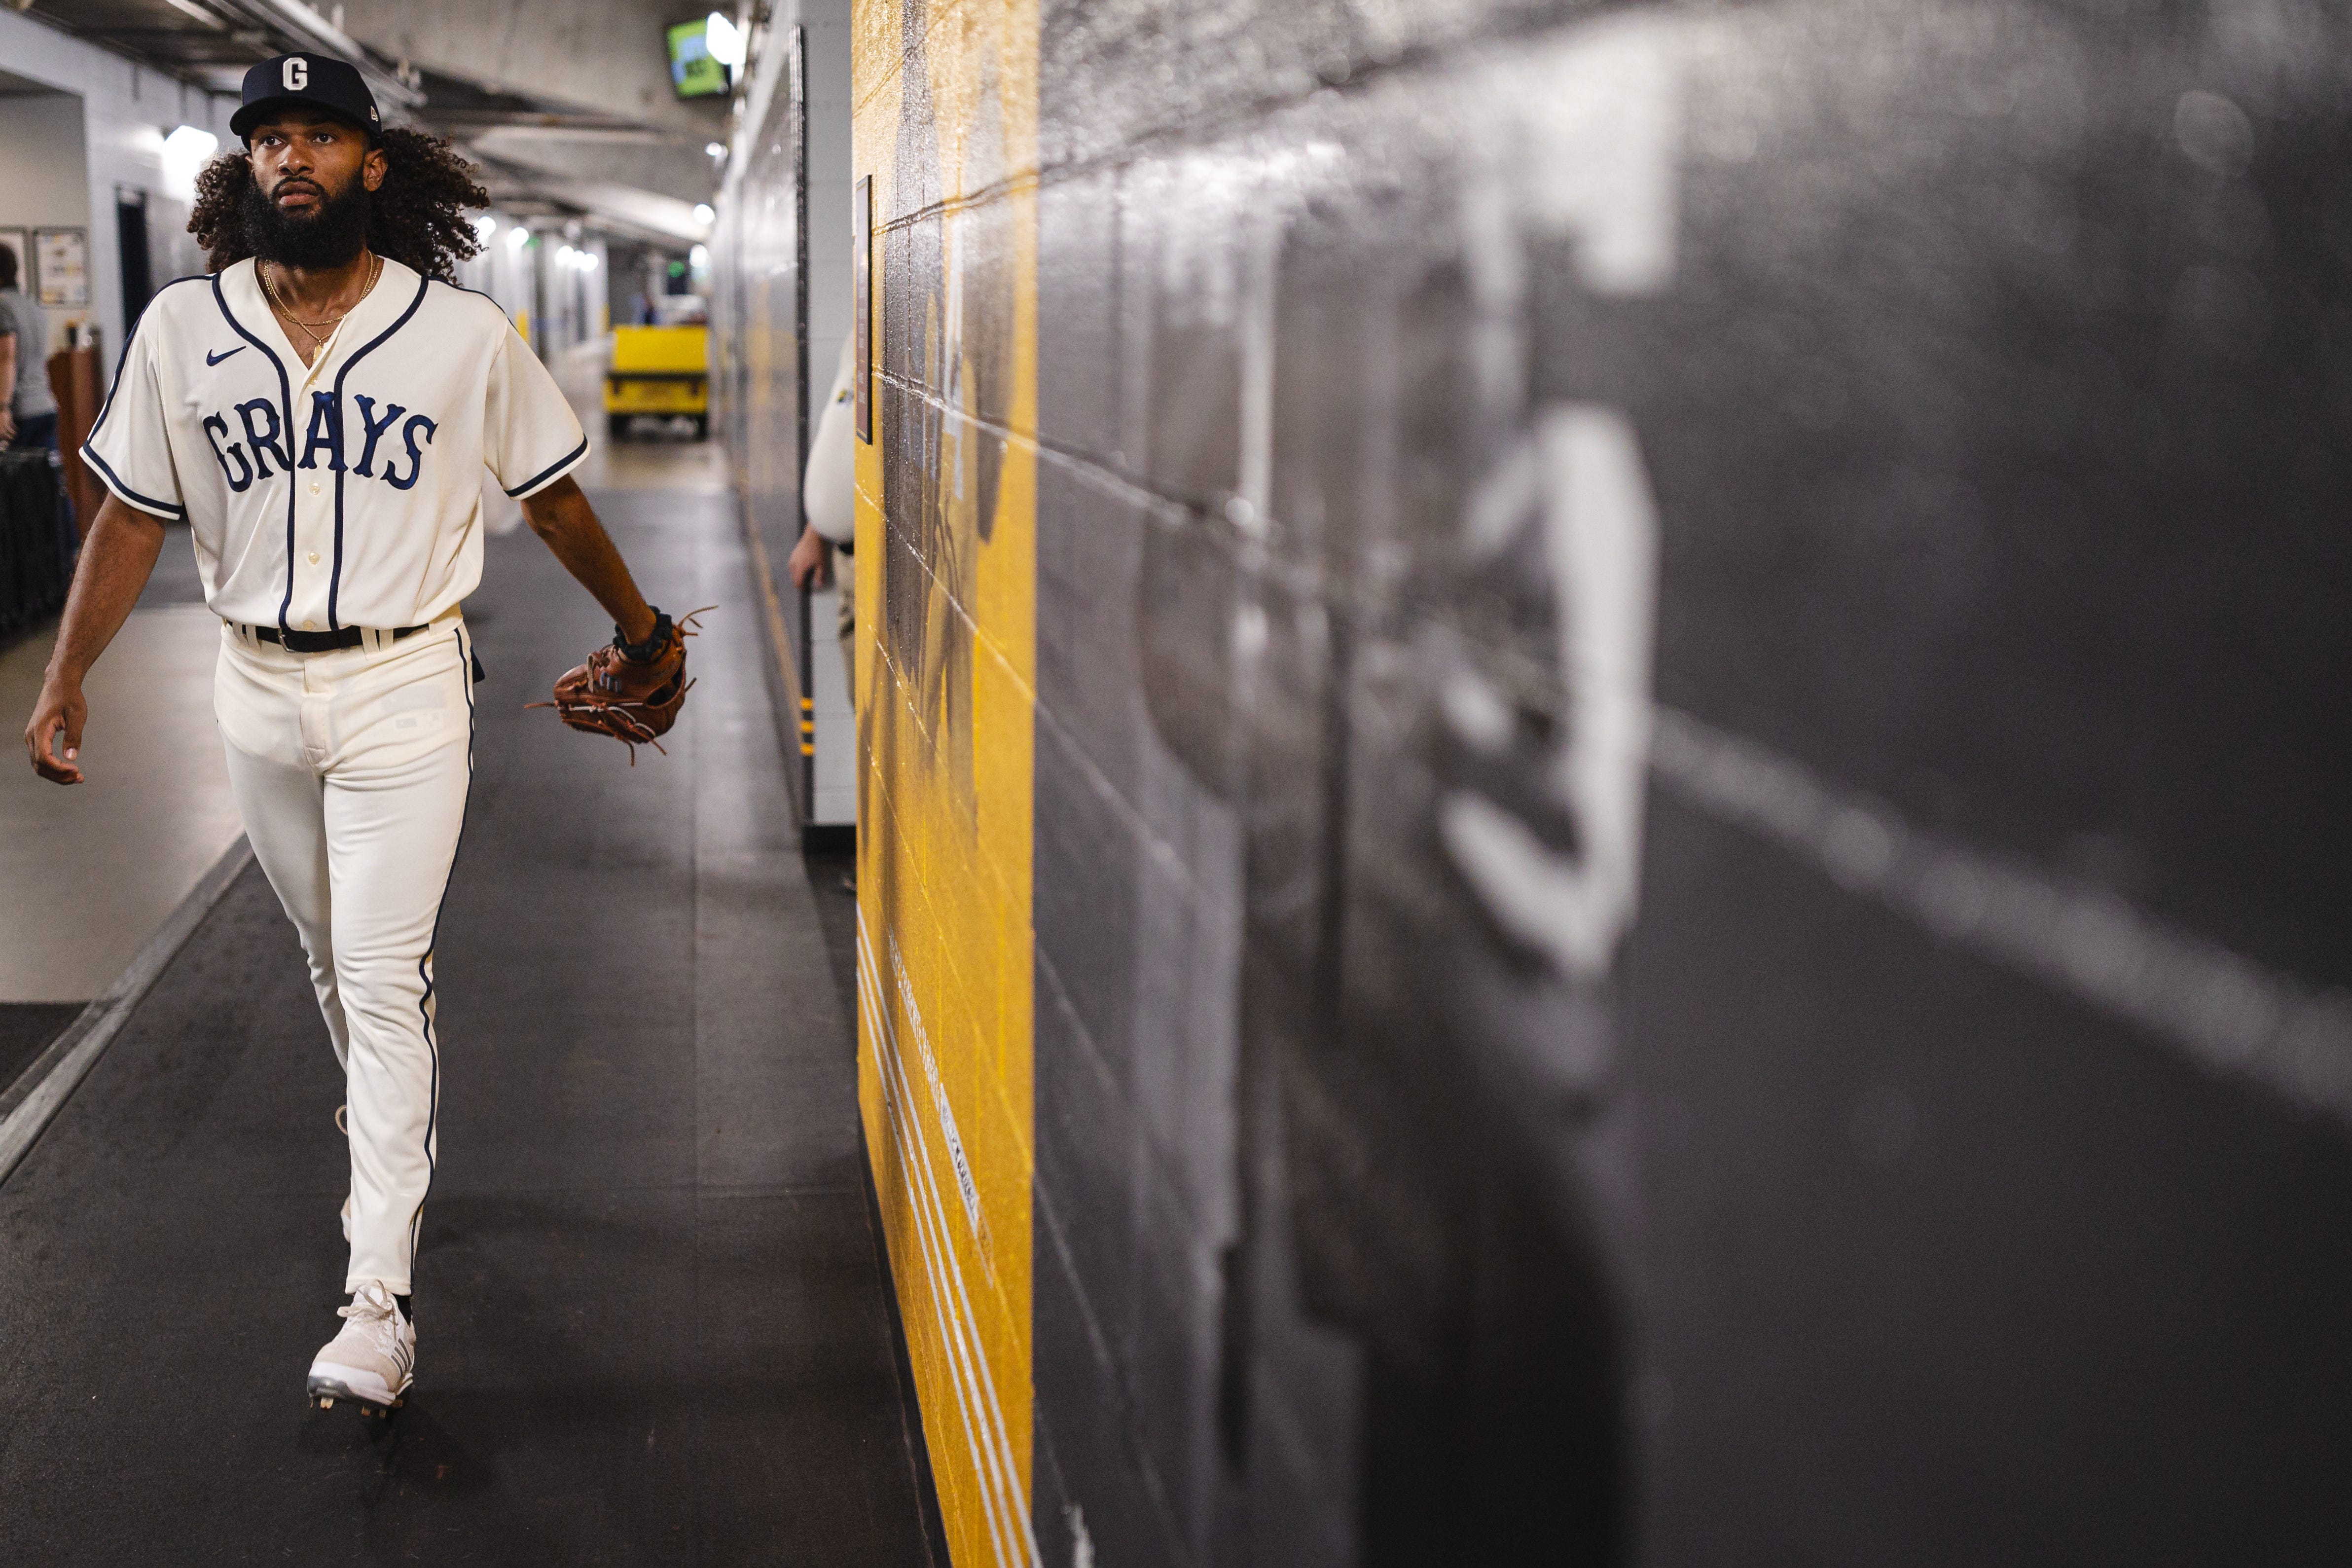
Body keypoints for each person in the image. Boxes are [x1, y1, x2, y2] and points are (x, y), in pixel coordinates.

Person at [19, 54, 677, 1419]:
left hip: (404, 685)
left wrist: (642, 622)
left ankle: (379, 1298)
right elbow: (133, 516)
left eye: (321, 135)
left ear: (372, 166)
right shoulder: (178, 330)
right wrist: (66, 672)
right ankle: (398, 1117)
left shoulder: (460, 332)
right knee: (335, 966)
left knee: (380, 975)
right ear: (244, 169)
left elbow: (552, 502)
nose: (293, 158)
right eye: (271, 139)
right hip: (251, 688)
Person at [787, 332, 857, 709]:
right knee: (861, 704)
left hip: (882, 566)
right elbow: (843, 433)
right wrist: (818, 527)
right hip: (849, 560)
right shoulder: (856, 333)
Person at [0, 239, 61, 452]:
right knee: (43, 483)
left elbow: (7, 358)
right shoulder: (33, 305)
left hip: (18, 414)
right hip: (45, 405)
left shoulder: (2, 306)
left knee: (14, 484)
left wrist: (2, 408)